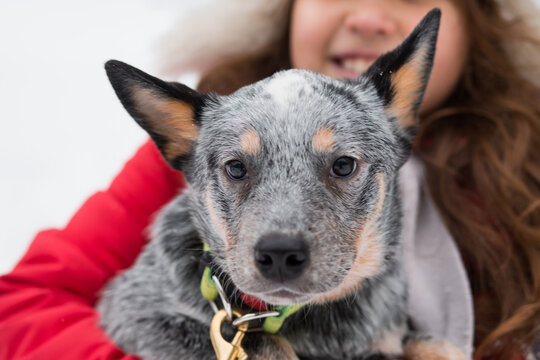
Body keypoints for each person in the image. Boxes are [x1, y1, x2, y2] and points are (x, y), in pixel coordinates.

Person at [1, 0, 539, 359]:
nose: (372, 15)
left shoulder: (530, 171)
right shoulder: (207, 141)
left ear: (479, 21)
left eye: (343, 165)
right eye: (238, 170)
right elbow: (20, 305)